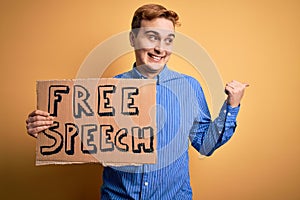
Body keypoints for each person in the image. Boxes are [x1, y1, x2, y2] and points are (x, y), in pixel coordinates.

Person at [26, 4, 248, 200]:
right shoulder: (106, 91)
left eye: (168, 40)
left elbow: (205, 145)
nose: (161, 48)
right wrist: (48, 127)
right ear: (133, 39)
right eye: (152, 37)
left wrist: (232, 107)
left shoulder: (189, 88)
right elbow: (76, 133)